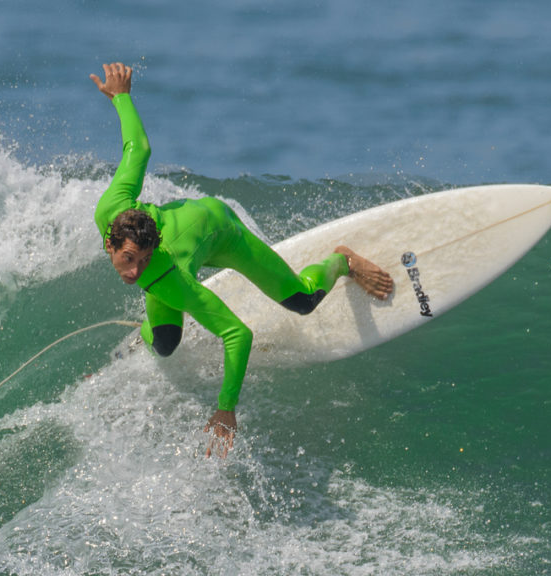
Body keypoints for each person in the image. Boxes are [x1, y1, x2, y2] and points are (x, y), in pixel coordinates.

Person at [91, 63, 393, 457]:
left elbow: (238, 334)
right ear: (112, 241)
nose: (133, 272)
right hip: (181, 244)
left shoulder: (169, 277)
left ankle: (342, 261)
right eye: (129, 259)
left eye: (142, 261)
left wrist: (225, 408)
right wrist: (122, 98)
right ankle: (147, 332)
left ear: (153, 251)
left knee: (302, 300)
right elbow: (139, 149)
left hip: (222, 232)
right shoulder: (111, 209)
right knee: (165, 343)